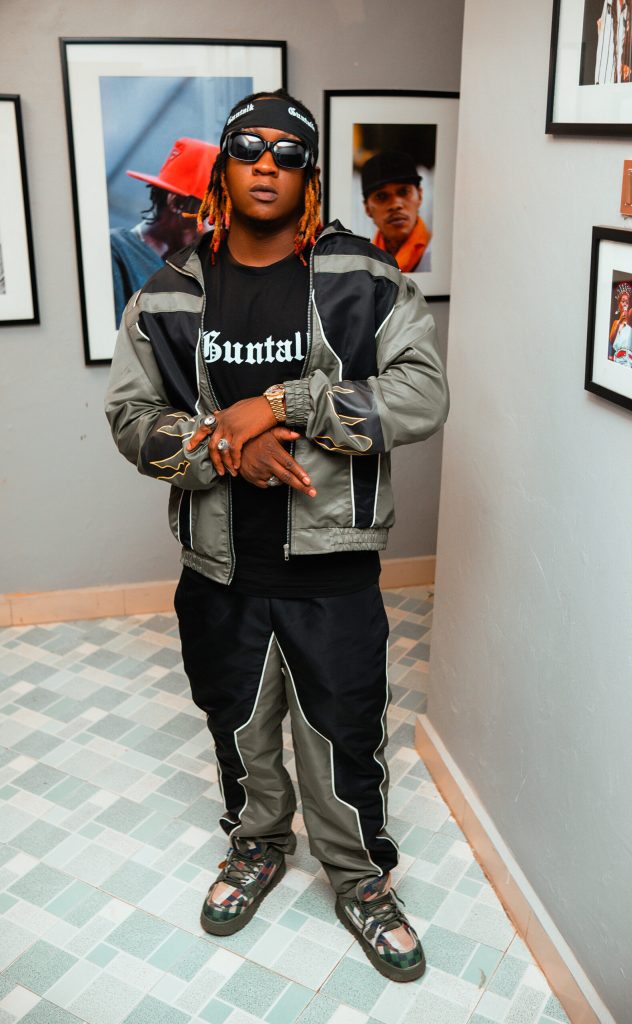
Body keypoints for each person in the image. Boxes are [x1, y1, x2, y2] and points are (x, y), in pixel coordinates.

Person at [105, 89, 448, 983]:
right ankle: (256, 843)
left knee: (344, 732)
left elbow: (421, 393)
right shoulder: (170, 293)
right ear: (222, 168)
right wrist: (226, 446)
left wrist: (284, 403)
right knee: (236, 725)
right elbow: (131, 419)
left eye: (287, 152)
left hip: (333, 566)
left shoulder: (364, 278)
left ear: (308, 174)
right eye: (248, 148)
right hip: (219, 567)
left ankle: (359, 877)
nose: (266, 163)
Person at [110, 137, 218, 323]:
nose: (217, 229)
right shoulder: (116, 253)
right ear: (176, 203)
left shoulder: (196, 266)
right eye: (212, 216)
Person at [362, 150, 432, 273]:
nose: (395, 205)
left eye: (404, 192)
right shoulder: (361, 266)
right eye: (381, 196)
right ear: (367, 208)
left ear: (420, 196)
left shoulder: (438, 255)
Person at [609, 281, 632, 368]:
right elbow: (611, 339)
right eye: (623, 301)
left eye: (627, 302)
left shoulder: (629, 316)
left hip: (628, 359)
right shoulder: (616, 322)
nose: (625, 303)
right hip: (617, 358)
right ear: (619, 305)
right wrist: (619, 321)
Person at [595, 0, 632, 84]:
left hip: (615, 80)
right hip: (602, 78)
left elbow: (619, 46)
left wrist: (621, 66)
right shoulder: (608, 2)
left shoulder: (627, 10)